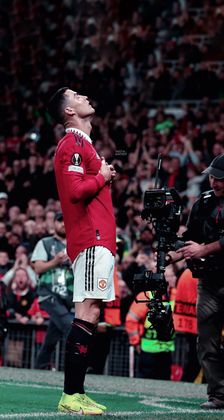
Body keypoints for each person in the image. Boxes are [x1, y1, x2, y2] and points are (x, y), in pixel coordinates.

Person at [48, 87, 116, 415]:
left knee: (89, 314)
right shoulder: (71, 144)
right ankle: (71, 395)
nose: (84, 96)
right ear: (69, 112)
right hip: (91, 238)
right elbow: (75, 192)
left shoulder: (82, 144)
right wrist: (102, 176)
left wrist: (101, 176)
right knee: (87, 314)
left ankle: (76, 392)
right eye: (75, 95)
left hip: (95, 238)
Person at [169, 153, 224, 409]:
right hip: (209, 281)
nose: (213, 182)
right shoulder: (204, 202)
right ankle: (218, 394)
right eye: (211, 176)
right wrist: (171, 256)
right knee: (206, 339)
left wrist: (203, 249)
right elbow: (190, 237)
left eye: (220, 178)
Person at [31, 211, 74, 369]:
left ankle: (40, 366)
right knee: (71, 327)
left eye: (66, 221)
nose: (63, 224)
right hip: (48, 294)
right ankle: (76, 367)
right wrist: (55, 261)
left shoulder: (75, 244)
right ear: (54, 224)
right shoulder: (45, 242)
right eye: (59, 221)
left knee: (51, 337)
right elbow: (37, 267)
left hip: (67, 297)